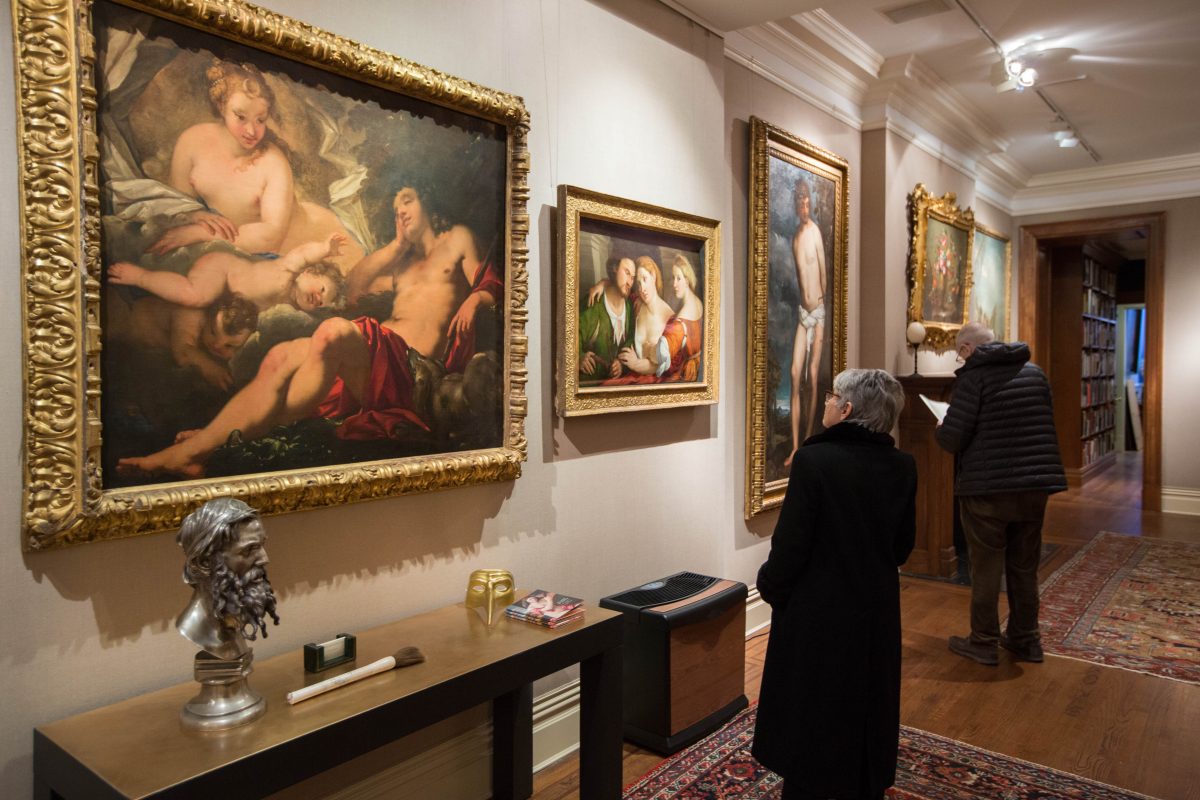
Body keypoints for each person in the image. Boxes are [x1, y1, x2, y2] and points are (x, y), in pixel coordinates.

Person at [116, 183, 501, 478]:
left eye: (407, 200)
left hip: (415, 374)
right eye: (396, 205)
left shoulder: (457, 238)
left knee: (333, 332)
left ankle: (196, 448)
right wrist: (397, 245)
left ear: (428, 202)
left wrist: (475, 300)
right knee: (282, 355)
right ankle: (208, 444)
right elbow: (355, 289)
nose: (400, 210)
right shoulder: (401, 262)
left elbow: (493, 284)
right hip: (378, 363)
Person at [752, 368, 916, 800]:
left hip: (818, 610)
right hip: (876, 608)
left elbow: (792, 544)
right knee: (866, 702)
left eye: (831, 396)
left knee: (813, 709)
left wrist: (770, 586)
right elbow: (902, 547)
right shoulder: (903, 465)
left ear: (846, 409)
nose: (825, 401)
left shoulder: (815, 461)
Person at [143, 61, 363, 274]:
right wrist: (194, 216)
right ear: (221, 106)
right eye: (241, 117)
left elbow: (269, 237)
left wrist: (199, 233)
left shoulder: (274, 163)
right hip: (242, 257)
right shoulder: (192, 140)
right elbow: (177, 201)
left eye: (260, 120)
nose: (251, 131)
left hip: (316, 247)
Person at [936, 322, 1067, 665]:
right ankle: (1026, 639)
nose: (961, 359)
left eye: (959, 353)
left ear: (967, 349)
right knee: (1024, 566)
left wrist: (941, 426)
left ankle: (983, 642)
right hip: (1035, 486)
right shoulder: (1035, 373)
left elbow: (953, 438)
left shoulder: (973, 378)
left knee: (986, 567)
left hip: (988, 490)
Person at [108, 232, 347, 314]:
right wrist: (325, 249)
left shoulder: (288, 307)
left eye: (321, 303)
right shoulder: (289, 270)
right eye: (322, 289)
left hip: (224, 295)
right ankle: (139, 276)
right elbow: (304, 254)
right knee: (195, 296)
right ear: (310, 271)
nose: (317, 298)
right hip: (222, 270)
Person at [175, 498, 279, 661]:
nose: (264, 559)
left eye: (261, 545)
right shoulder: (195, 628)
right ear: (205, 563)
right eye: (249, 550)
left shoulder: (231, 617)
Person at [105, 289, 259, 390]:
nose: (217, 345)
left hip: (135, 349)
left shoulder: (214, 342)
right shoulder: (190, 314)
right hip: (124, 316)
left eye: (230, 346)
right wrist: (211, 368)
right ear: (209, 315)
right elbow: (183, 352)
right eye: (213, 332)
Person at [785, 178, 827, 467]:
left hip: (818, 312)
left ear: (809, 203)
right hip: (803, 313)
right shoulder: (795, 238)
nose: (803, 206)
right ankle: (795, 447)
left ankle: (810, 439)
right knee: (794, 373)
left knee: (812, 376)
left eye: (806, 201)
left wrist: (820, 307)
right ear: (795, 205)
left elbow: (823, 274)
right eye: (799, 202)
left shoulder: (815, 233)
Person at [611, 256, 673, 379]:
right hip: (632, 375)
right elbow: (618, 289)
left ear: (653, 276)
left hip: (654, 381)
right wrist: (602, 284)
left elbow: (662, 366)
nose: (642, 289)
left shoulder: (669, 317)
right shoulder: (636, 304)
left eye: (645, 279)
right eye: (638, 283)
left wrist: (635, 364)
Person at [577, 256, 635, 383]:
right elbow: (571, 332)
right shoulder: (594, 301)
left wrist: (621, 364)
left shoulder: (630, 307)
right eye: (627, 273)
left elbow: (631, 340)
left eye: (632, 277)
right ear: (614, 268)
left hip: (615, 385)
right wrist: (579, 357)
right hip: (589, 384)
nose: (629, 283)